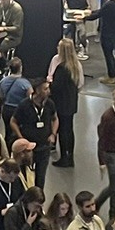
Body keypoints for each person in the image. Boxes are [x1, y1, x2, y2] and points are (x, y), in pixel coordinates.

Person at [11, 79, 54, 189]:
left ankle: (38, 196)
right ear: (37, 90)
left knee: (41, 177)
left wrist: (53, 134)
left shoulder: (49, 103)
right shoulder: (24, 104)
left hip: (44, 147)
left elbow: (55, 118)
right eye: (45, 89)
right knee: (24, 176)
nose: (48, 91)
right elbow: (13, 122)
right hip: (28, 148)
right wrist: (21, 138)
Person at [48, 37, 82, 167]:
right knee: (69, 129)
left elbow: (55, 87)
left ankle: (64, 158)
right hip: (71, 101)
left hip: (61, 102)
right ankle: (70, 156)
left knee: (62, 130)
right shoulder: (75, 65)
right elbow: (80, 83)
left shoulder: (61, 68)